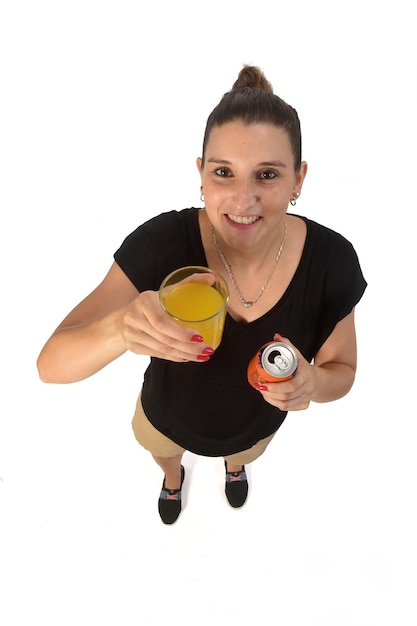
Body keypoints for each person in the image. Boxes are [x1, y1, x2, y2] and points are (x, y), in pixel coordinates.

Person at [37, 65, 367, 524]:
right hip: (163, 416)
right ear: (201, 174)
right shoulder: (161, 242)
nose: (242, 199)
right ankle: (173, 480)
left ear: (298, 179)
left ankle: (235, 469)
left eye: (267, 175)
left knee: (242, 453)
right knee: (163, 453)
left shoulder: (332, 260)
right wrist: (120, 328)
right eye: (223, 173)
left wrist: (312, 382)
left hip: (254, 428)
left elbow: (342, 370)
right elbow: (49, 365)